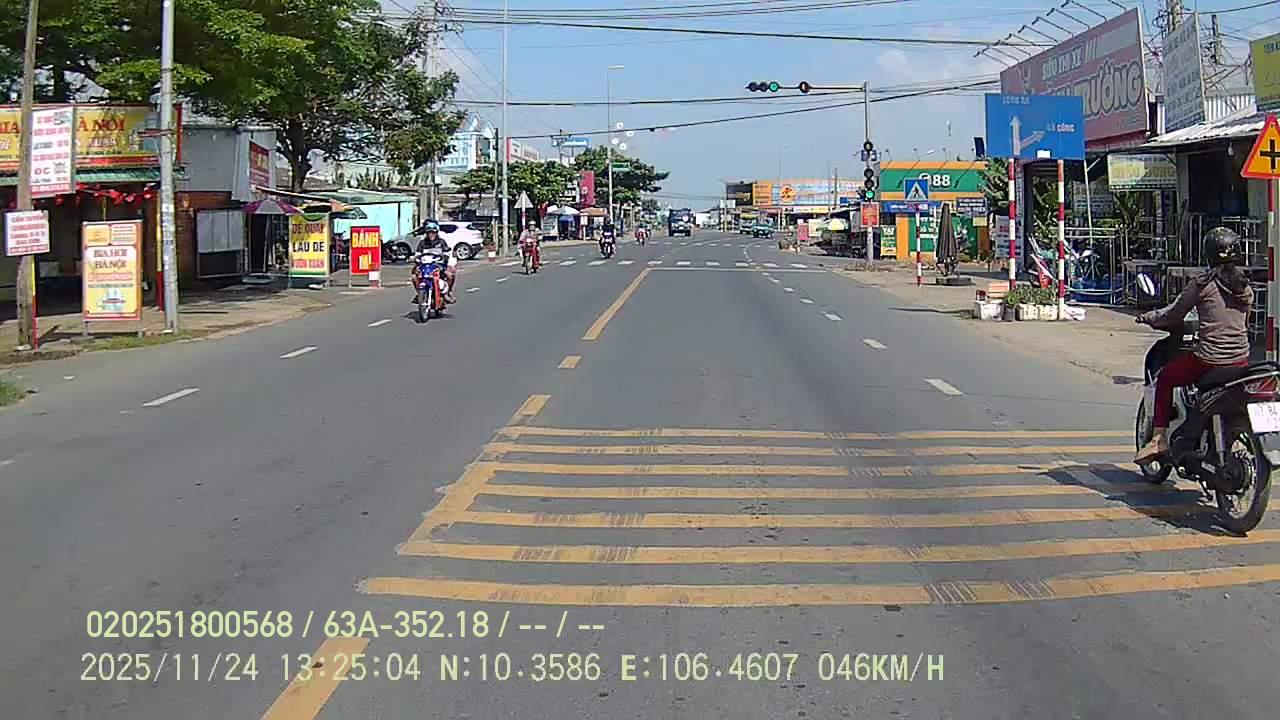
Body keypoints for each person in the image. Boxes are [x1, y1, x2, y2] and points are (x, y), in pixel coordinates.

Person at [1134, 227, 1253, 464]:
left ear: (1208, 254)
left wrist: (1149, 317)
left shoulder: (1202, 285)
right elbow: (1244, 323)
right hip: (1241, 360)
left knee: (1166, 377)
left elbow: (1173, 315)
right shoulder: (1244, 288)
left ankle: (1159, 438)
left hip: (1209, 360)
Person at [413, 221, 457, 303]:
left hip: (438, 265)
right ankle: (420, 293)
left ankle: (447, 293)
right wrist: (416, 260)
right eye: (429, 232)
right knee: (414, 277)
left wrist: (445, 258)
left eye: (433, 232)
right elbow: (417, 254)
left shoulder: (441, 242)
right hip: (425, 266)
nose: (431, 235)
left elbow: (446, 253)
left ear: (436, 233)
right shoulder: (422, 243)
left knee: (450, 275)